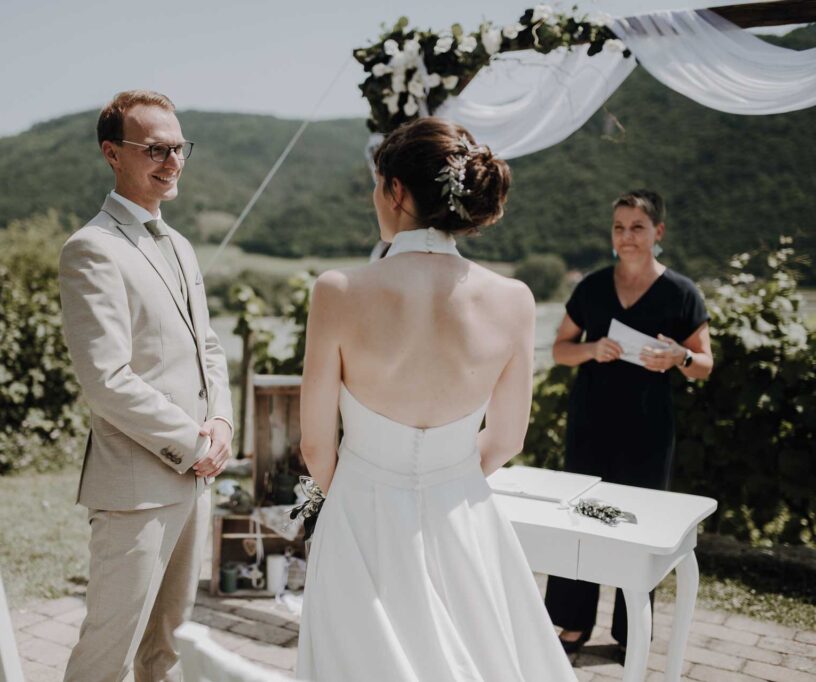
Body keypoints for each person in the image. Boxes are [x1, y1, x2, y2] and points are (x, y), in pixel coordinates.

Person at [295, 117, 577, 681]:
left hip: (360, 517)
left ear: (395, 190)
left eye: (379, 184)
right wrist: (446, 473)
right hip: (463, 514)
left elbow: (316, 446)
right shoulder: (514, 299)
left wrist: (361, 492)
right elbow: (507, 439)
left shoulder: (340, 291)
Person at [58, 90, 234, 682]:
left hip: (195, 481)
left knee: (168, 652)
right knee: (107, 653)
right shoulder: (92, 249)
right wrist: (194, 443)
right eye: (154, 148)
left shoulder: (180, 246)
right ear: (112, 153)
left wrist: (225, 425)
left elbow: (208, 348)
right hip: (135, 487)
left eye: (179, 147)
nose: (172, 160)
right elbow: (106, 380)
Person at [543, 189, 714, 656]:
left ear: (658, 232)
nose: (627, 236)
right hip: (590, 423)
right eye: (619, 227)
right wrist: (591, 350)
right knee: (577, 519)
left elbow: (704, 363)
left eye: (637, 227)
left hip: (648, 431)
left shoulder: (682, 292)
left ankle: (628, 632)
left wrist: (679, 357)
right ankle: (573, 625)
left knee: (638, 528)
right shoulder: (592, 288)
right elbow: (559, 350)